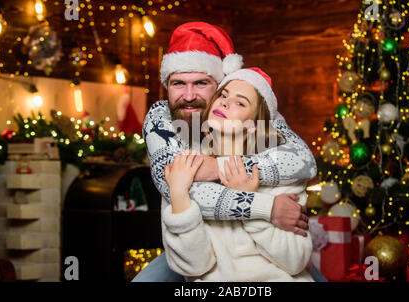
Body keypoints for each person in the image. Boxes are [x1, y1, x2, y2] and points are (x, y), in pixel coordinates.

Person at [133, 21, 324, 282]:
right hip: (202, 257)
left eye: (201, 82)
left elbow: (304, 161)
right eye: (178, 83)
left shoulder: (262, 116)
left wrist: (220, 167)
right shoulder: (161, 116)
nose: (189, 95)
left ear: (219, 84)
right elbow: (181, 191)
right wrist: (266, 208)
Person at [162, 67, 313, 281]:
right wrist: (178, 195)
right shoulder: (186, 166)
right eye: (223, 95)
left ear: (252, 126)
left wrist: (250, 204)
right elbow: (193, 266)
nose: (224, 103)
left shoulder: (278, 171)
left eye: (240, 102)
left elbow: (296, 261)